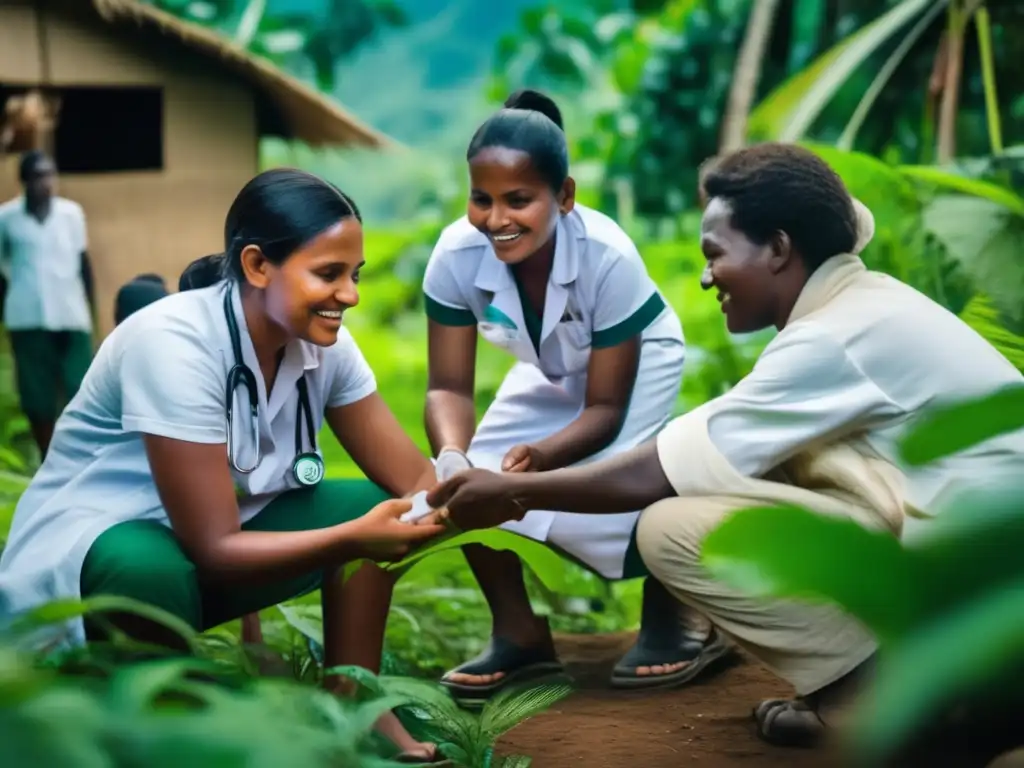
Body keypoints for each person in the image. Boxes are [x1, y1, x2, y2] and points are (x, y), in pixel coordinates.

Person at [425, 143, 1024, 747]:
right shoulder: (871, 304)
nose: (708, 275)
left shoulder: (831, 340)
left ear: (781, 249)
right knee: (776, 461)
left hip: (988, 594)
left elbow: (657, 472)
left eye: (715, 254)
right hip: (989, 572)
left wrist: (513, 492)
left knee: (670, 529)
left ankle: (862, 699)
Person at [0, 168, 453, 765]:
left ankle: (355, 702)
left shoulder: (325, 345)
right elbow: (213, 547)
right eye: (328, 274)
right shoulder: (173, 343)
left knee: (377, 506)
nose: (351, 295)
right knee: (149, 565)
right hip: (106, 557)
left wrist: (481, 491)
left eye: (355, 274)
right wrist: (351, 539)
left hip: (206, 549)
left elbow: (418, 485)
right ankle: (161, 726)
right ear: (258, 265)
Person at [422, 88, 728, 702]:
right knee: (470, 481)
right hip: (552, 366)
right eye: (481, 199)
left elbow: (606, 411)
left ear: (563, 197)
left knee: (618, 483)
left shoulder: (607, 256)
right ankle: (519, 634)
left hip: (634, 364)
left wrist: (538, 463)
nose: (496, 219)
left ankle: (684, 608)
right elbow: (447, 386)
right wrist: (454, 455)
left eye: (519, 200)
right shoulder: (455, 256)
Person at [0, 150, 96, 459]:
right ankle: (47, 459)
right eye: (39, 176)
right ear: (25, 181)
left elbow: (84, 264)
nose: (46, 183)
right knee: (36, 396)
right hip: (27, 317)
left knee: (78, 387)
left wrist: (92, 312)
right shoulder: (7, 219)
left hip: (71, 315)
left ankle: (77, 456)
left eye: (50, 175)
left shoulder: (71, 214)